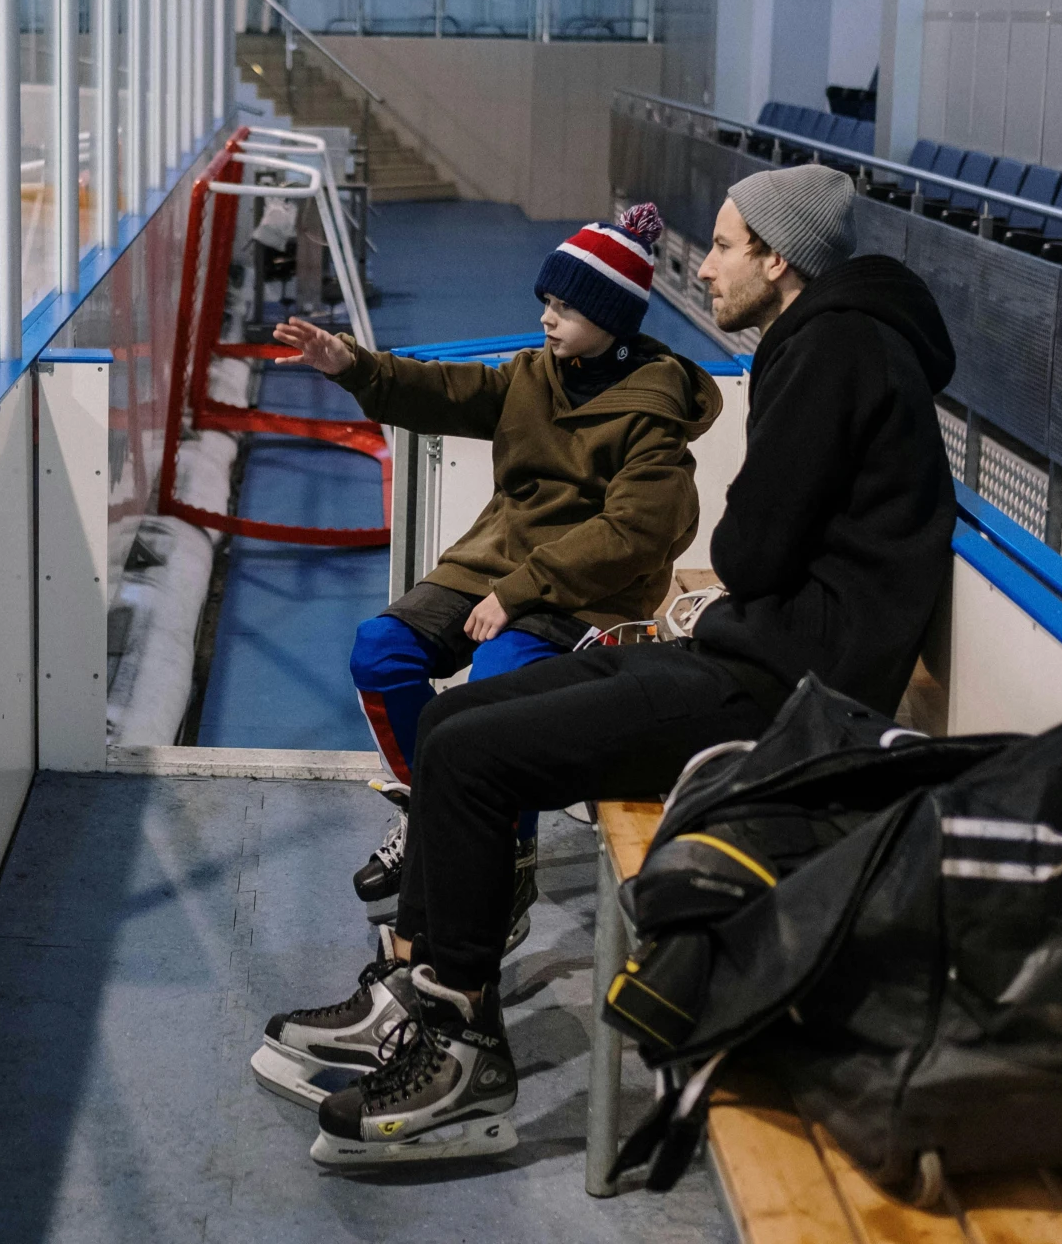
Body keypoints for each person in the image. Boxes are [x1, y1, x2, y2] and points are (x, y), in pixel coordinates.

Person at [270, 163, 959, 1168]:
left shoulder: (830, 350)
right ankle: (416, 999)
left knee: (475, 750)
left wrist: (739, 562)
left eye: (722, 244)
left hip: (786, 700)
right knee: (460, 727)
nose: (706, 264)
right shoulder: (833, 341)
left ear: (777, 256)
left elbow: (751, 552)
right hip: (752, 656)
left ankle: (462, 1053)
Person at [250, 202, 723, 1106]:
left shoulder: (653, 417)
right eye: (544, 299)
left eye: (565, 305)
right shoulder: (537, 373)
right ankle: (443, 819)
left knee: (497, 699)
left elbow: (639, 533)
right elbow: (446, 395)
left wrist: (525, 590)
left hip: (579, 595)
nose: (546, 315)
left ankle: (464, 885)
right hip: (493, 566)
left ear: (615, 320)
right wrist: (356, 366)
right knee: (381, 649)